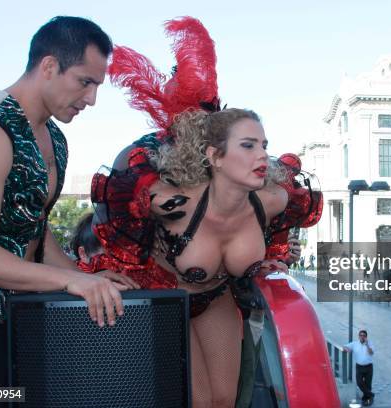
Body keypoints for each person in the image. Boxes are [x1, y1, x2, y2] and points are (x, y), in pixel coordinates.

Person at [88, 17, 323, 408]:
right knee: (195, 402)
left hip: (215, 299)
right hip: (163, 299)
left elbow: (289, 220)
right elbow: (117, 217)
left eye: (262, 145)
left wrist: (273, 257)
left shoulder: (273, 198)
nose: (262, 155)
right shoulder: (171, 199)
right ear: (214, 154)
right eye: (248, 146)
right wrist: (109, 271)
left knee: (223, 402)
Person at [0, 16, 135, 389]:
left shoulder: (53, 136)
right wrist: (68, 281)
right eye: (85, 82)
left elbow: (33, 227)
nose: (92, 99)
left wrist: (85, 277)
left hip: (21, 321)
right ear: (49, 66)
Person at [344, 330, 375, 406]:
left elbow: (371, 353)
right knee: (359, 382)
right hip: (359, 367)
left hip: (368, 367)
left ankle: (367, 399)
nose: (362, 337)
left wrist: (367, 345)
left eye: (364, 335)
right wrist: (347, 349)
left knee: (368, 384)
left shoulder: (370, 343)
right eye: (361, 335)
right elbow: (345, 346)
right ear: (358, 336)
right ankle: (371, 395)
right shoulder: (355, 344)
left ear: (366, 337)